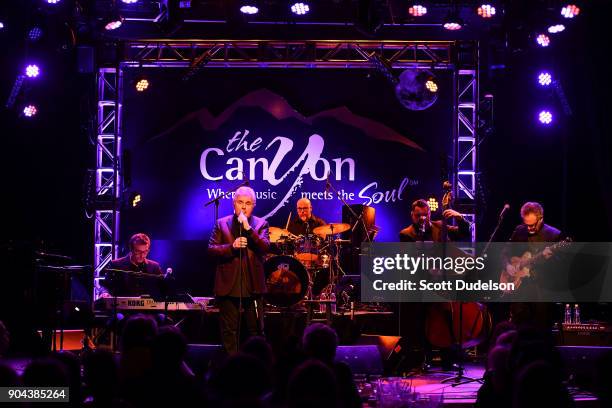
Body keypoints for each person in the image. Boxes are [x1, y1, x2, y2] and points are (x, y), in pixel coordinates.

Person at [208, 186, 270, 354]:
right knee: (229, 332)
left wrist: (248, 229)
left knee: (256, 332)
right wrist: (232, 247)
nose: (244, 207)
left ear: (253, 205)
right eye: (240, 202)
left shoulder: (261, 224)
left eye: (248, 203)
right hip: (229, 287)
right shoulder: (222, 223)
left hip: (253, 286)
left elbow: (264, 248)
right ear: (234, 203)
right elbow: (212, 250)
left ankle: (257, 368)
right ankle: (232, 368)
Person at [100, 233, 163, 298]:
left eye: (145, 252)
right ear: (131, 249)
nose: (142, 255)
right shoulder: (116, 264)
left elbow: (162, 287)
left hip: (149, 307)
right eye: (138, 252)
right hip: (122, 306)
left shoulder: (154, 266)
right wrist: (105, 293)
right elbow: (105, 285)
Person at [399, 199, 470, 242]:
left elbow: (464, 233)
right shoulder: (406, 234)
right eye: (418, 215)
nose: (422, 218)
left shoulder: (440, 226)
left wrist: (460, 218)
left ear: (429, 214)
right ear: (412, 214)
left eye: (425, 215)